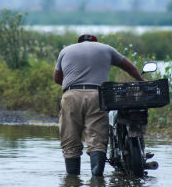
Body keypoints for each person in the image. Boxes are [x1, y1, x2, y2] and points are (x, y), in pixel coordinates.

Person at [53, 34, 145, 176]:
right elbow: (130, 67)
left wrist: (72, 87)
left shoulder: (66, 50)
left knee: (70, 141)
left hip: (71, 96)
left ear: (79, 42)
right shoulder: (106, 48)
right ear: (95, 42)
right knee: (97, 141)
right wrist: (140, 79)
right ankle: (97, 179)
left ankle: (72, 182)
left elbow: (57, 79)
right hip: (97, 96)